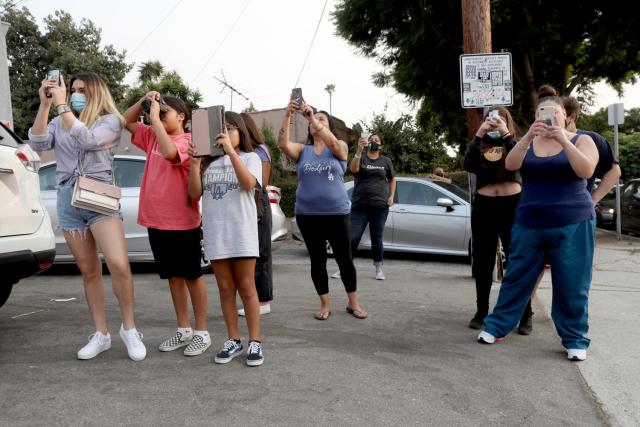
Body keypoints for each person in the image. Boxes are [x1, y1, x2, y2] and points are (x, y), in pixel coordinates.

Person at [28, 72, 146, 361]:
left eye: (82, 90)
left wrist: (62, 108)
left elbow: (90, 140)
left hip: (100, 196)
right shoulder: (58, 119)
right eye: (73, 90)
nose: (75, 94)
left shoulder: (109, 121)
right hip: (68, 199)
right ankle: (101, 333)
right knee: (89, 271)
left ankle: (129, 329)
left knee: (118, 264)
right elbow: (38, 143)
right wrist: (45, 105)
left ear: (95, 93)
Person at [477, 88, 599, 362]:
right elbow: (510, 164)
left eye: (555, 113)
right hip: (529, 222)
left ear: (566, 116)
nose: (548, 118)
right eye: (541, 114)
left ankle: (575, 338)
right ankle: (497, 327)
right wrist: (528, 136)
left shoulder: (583, 140)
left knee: (572, 283)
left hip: (573, 223)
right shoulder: (528, 142)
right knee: (516, 277)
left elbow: (586, 171)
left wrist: (563, 141)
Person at [123, 92, 210, 356]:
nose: (159, 117)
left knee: (192, 276)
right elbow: (126, 121)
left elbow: (171, 153)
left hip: (182, 222)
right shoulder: (151, 136)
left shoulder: (189, 140)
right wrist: (143, 101)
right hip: (156, 220)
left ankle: (202, 331)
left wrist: (153, 119)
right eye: (158, 113)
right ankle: (183, 329)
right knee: (173, 277)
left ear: (181, 116)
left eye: (165, 113)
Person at [278, 98, 367, 320]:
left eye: (321, 119)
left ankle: (353, 303)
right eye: (313, 119)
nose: (315, 121)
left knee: (344, 258)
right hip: (308, 215)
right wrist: (288, 115)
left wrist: (310, 116)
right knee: (317, 260)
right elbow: (282, 144)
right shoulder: (302, 150)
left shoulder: (340, 147)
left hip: (337, 214)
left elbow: (337, 147)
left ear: (328, 126)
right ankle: (325, 304)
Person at [188, 111, 264, 367]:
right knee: (225, 289)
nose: (226, 132)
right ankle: (233, 339)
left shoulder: (251, 158)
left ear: (241, 132)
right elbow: (194, 194)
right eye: (221, 128)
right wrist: (195, 164)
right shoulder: (208, 163)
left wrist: (231, 152)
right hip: (216, 233)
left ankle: (255, 341)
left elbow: (247, 184)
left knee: (246, 287)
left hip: (241, 233)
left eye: (231, 127)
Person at [462, 107, 532, 333]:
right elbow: (468, 165)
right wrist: (479, 134)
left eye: (500, 118)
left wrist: (506, 135)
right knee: (482, 261)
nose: (494, 122)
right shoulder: (480, 145)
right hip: (484, 205)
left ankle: (524, 313)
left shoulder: (516, 142)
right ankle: (482, 311)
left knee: (517, 258)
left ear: (508, 121)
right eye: (490, 119)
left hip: (512, 205)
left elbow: (525, 164)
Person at [332, 133, 395, 280]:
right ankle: (343, 268)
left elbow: (392, 180)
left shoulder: (386, 161)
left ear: (381, 145)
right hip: (360, 206)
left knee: (376, 238)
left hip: (380, 206)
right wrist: (359, 151)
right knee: (352, 238)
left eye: (377, 140)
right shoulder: (362, 158)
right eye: (371, 139)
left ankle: (379, 269)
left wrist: (391, 196)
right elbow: (353, 170)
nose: (374, 141)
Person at [238, 113, 273, 316]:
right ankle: (252, 299)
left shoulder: (260, 151)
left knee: (261, 252)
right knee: (248, 254)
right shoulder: (237, 152)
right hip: (242, 206)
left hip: (257, 203)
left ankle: (263, 301)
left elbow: (263, 182)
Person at [563, 95, 621, 201]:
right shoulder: (544, 140)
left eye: (558, 114)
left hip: (579, 211)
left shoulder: (592, 138)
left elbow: (615, 171)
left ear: (572, 117)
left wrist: (593, 200)